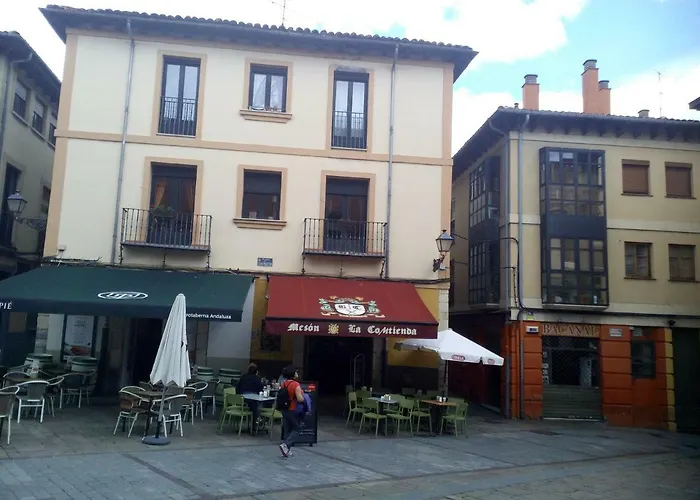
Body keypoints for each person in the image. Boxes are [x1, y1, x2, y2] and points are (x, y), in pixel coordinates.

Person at [279, 365, 305, 458]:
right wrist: (304, 398)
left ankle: (287, 450)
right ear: (293, 373)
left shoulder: (284, 383)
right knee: (297, 428)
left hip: (284, 409)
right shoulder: (295, 384)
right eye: (296, 372)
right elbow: (300, 399)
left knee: (287, 429)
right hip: (292, 409)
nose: (297, 373)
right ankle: (286, 445)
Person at [237, 363, 264, 433]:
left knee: (253, 406)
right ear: (256, 372)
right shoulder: (257, 379)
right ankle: (255, 424)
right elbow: (260, 389)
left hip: (242, 399)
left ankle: (253, 423)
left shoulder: (243, 377)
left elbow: (238, 388)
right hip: (253, 400)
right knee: (258, 405)